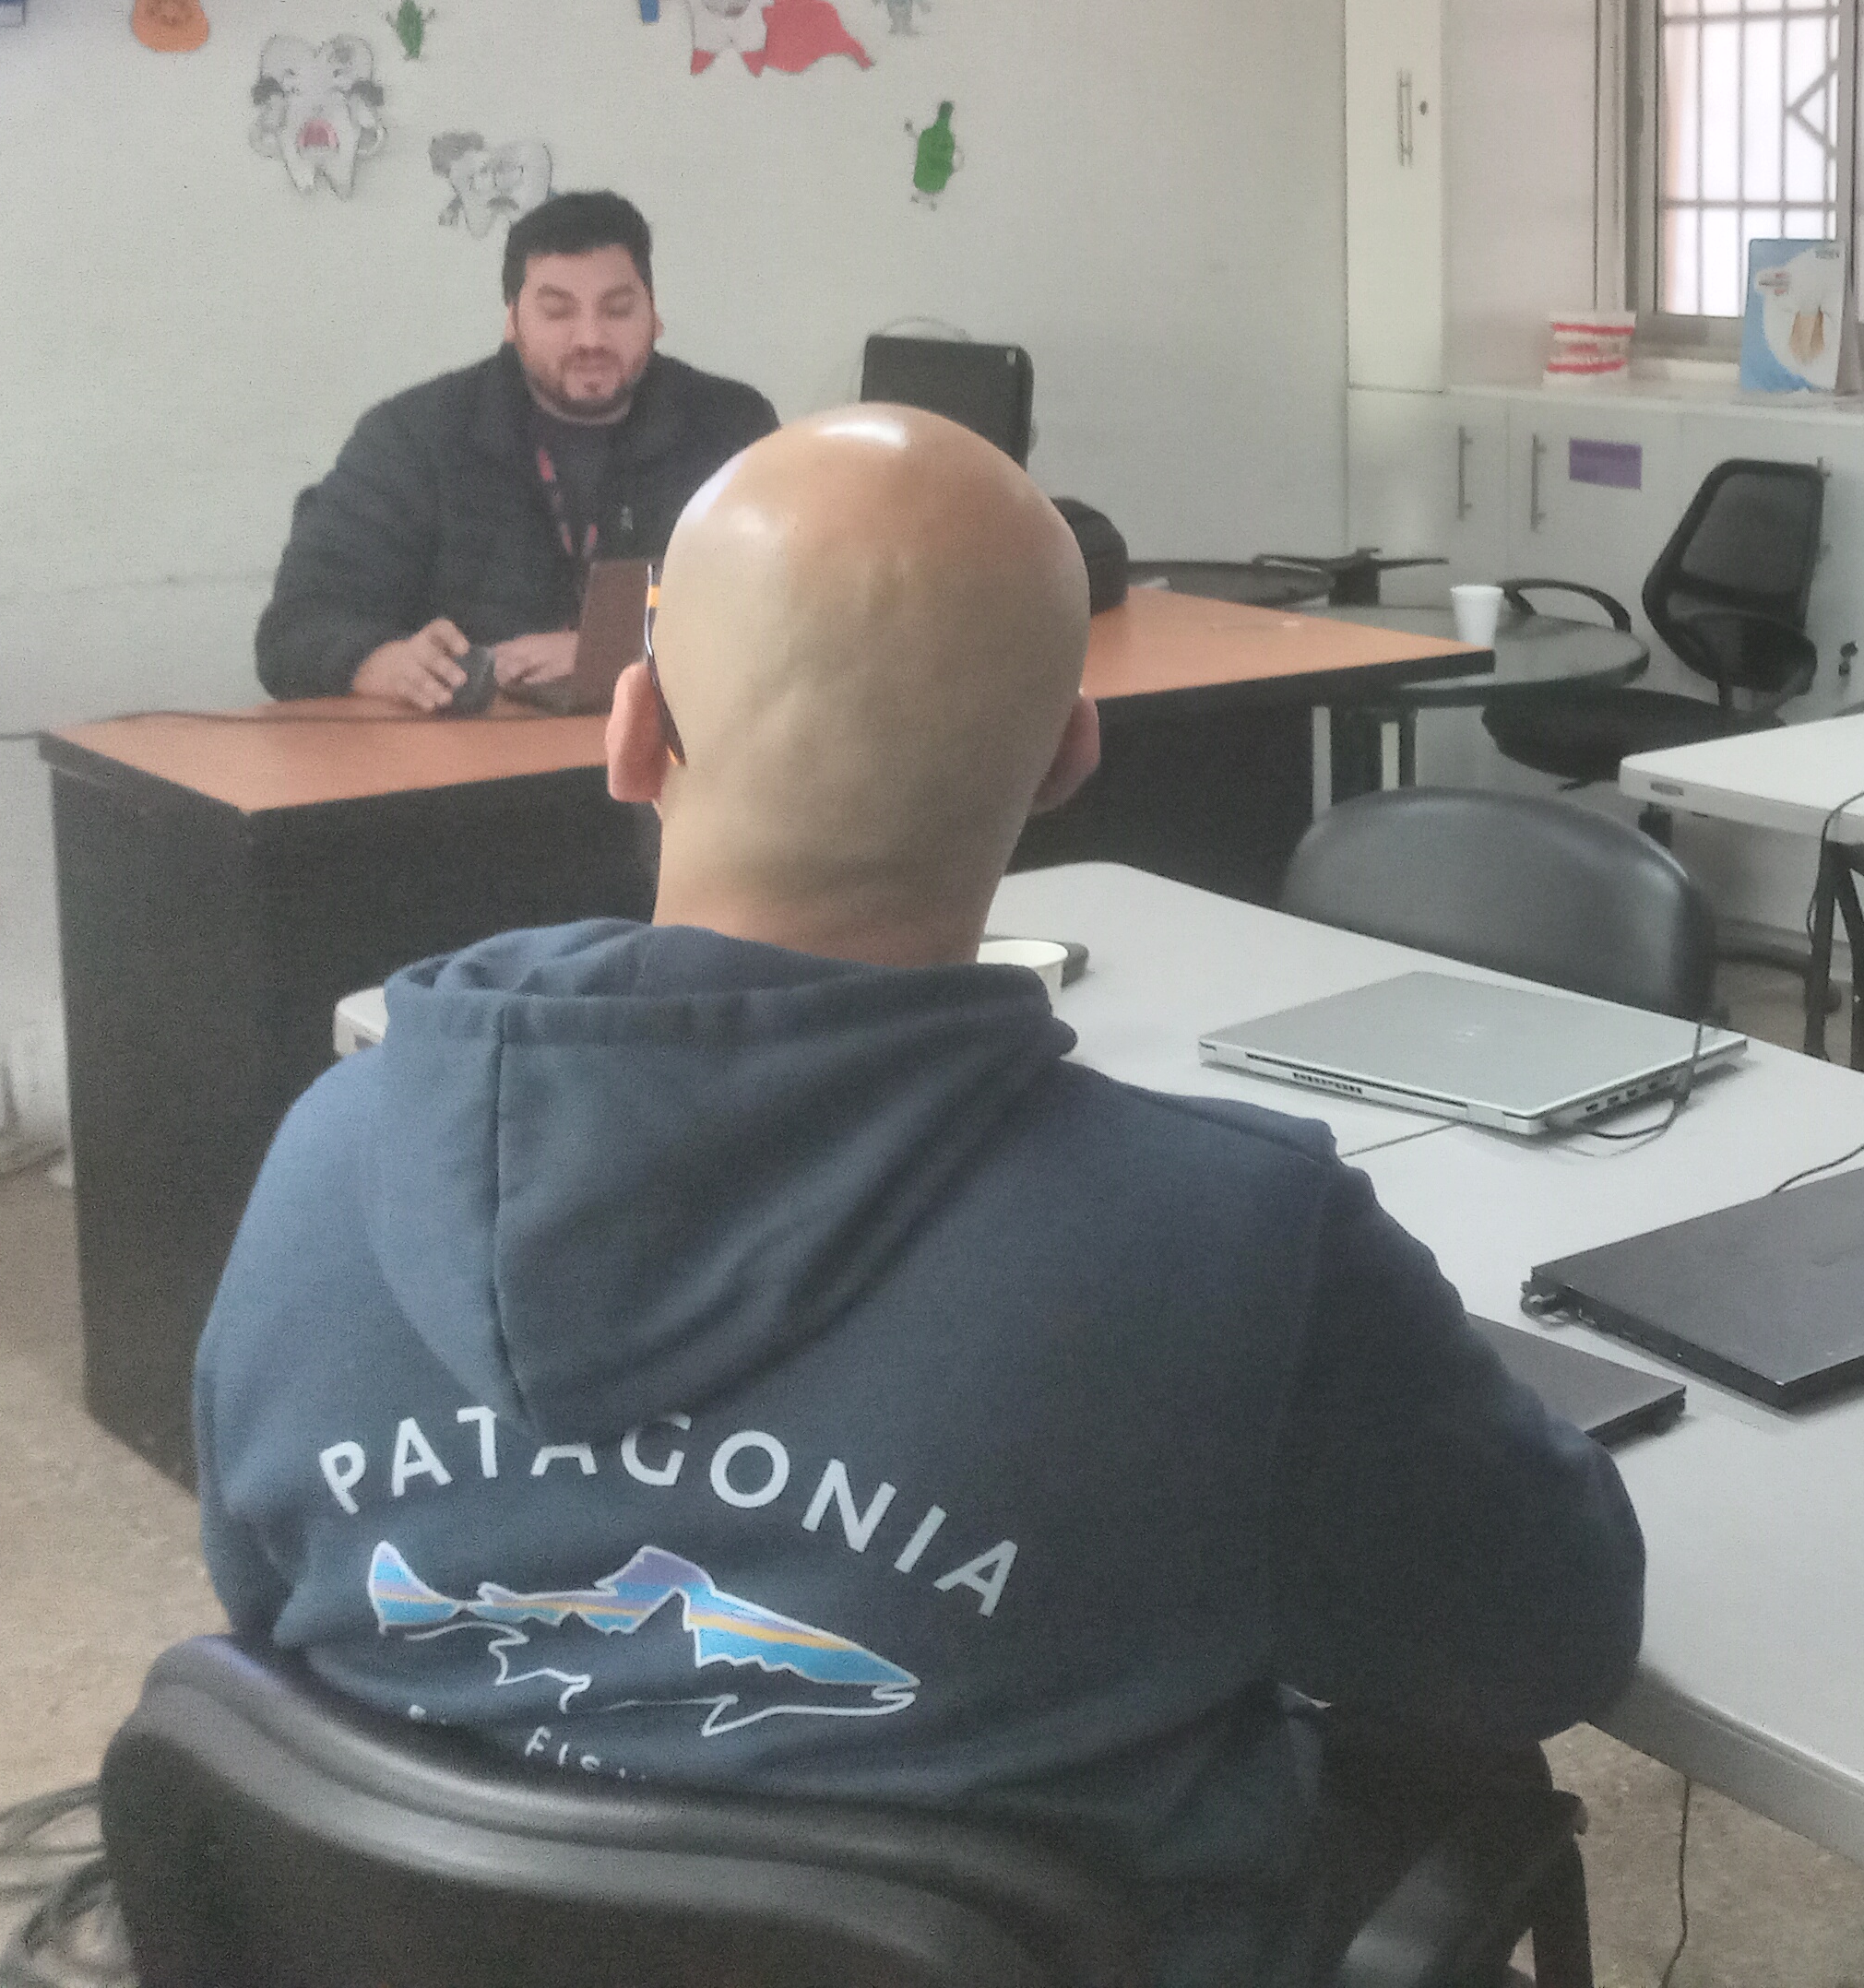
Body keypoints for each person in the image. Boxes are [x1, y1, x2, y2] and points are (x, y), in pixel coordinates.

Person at [194, 408, 1645, 1983]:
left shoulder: (329, 1151)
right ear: (1071, 758)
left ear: (633, 732)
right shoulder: (1229, 1241)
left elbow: (275, 1620)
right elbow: (1542, 1641)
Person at [253, 189, 779, 705]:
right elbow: (295, 629)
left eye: (618, 310)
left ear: (655, 314)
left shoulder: (730, 427)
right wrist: (376, 661)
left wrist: (618, 652)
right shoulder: (412, 436)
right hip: (467, 753)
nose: (590, 338)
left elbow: (790, 611)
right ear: (512, 320)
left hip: (670, 744)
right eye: (558, 312)